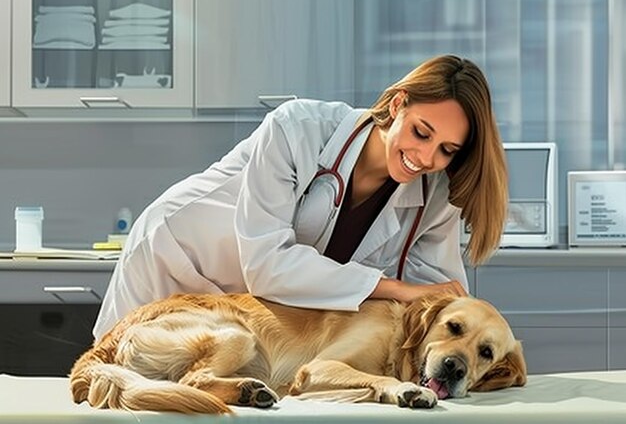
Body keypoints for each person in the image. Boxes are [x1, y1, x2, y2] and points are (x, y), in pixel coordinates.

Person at [93, 54, 508, 340]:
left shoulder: (436, 194)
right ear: (399, 104)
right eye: (421, 131)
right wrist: (394, 289)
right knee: (117, 384)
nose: (426, 157)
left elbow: (443, 302)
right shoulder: (298, 128)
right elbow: (267, 264)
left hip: (256, 309)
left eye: (447, 150)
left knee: (206, 400)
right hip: (177, 258)